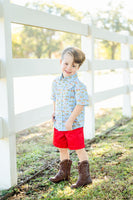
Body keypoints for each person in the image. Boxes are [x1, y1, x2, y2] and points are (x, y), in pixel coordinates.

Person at [49, 46, 92, 189]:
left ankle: (85, 177)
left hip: (73, 124)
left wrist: (70, 120)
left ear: (78, 67)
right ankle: (64, 173)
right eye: (66, 64)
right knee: (62, 147)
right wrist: (54, 111)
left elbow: (80, 104)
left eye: (74, 65)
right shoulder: (56, 82)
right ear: (61, 62)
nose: (69, 68)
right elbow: (55, 98)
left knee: (78, 148)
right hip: (59, 123)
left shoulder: (78, 85)